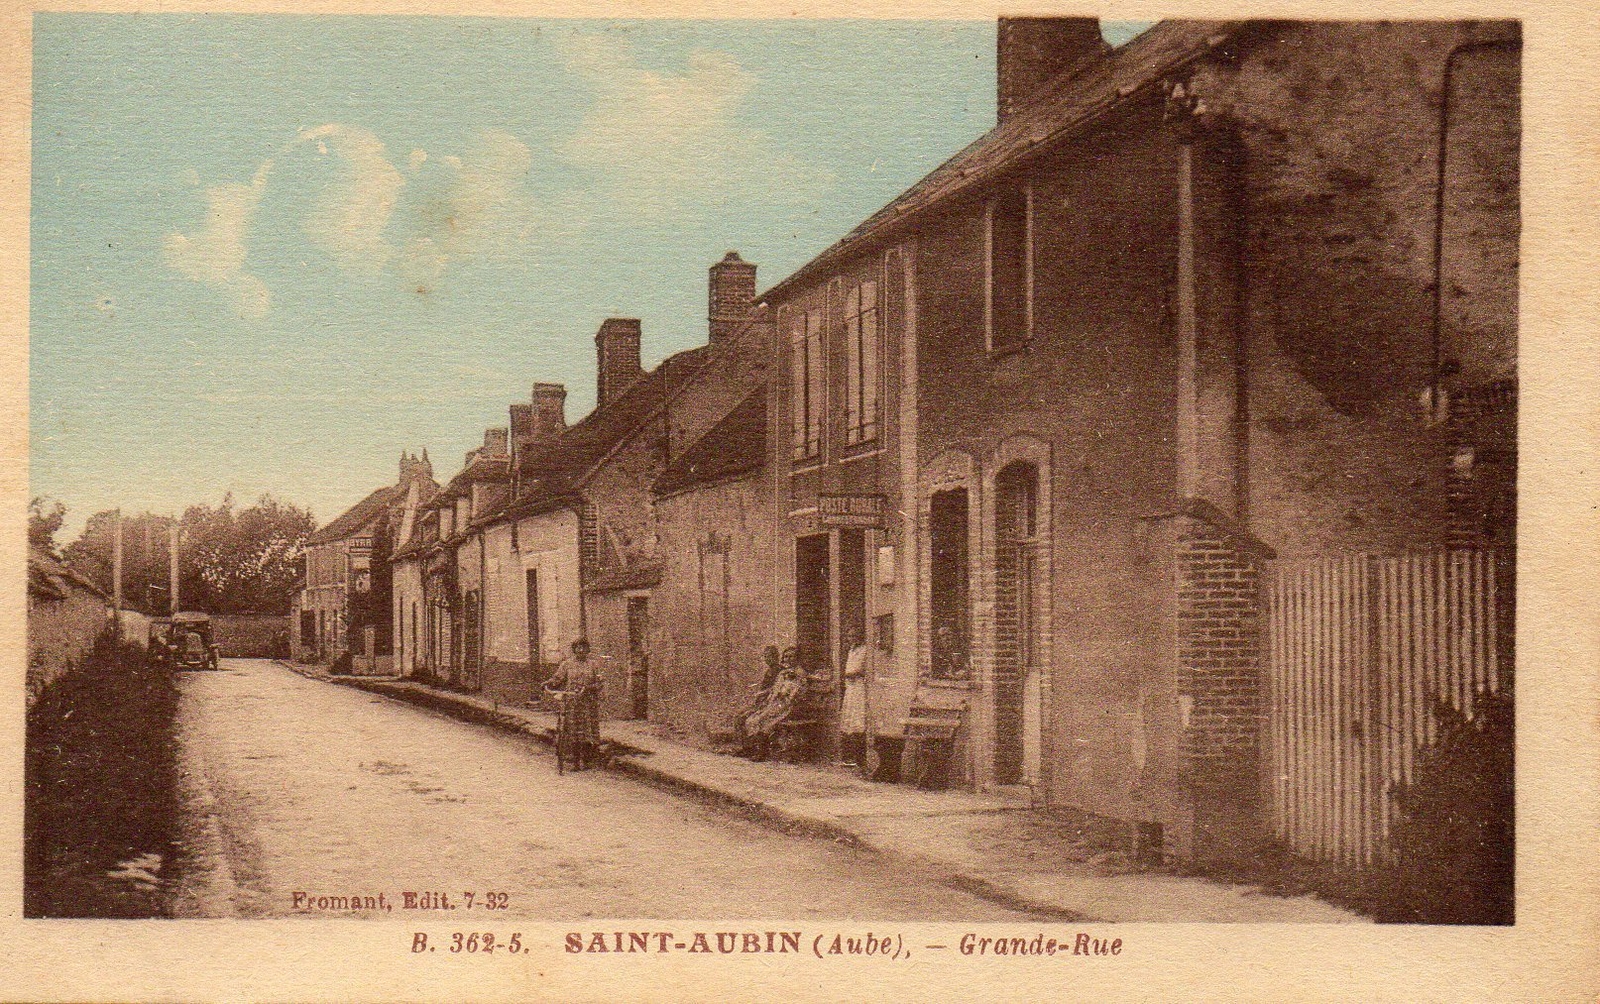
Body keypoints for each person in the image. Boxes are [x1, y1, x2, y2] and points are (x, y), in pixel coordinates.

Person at [740, 646, 806, 761]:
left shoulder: (799, 673)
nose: (788, 659)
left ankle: (762, 752)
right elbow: (775, 688)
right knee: (756, 718)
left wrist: (786, 695)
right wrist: (771, 696)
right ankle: (756, 749)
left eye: (791, 657)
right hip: (776, 703)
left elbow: (800, 691)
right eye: (786, 657)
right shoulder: (783, 673)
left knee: (766, 720)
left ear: (797, 658)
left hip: (790, 705)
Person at [544, 638, 602, 769]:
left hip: (588, 702)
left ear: (587, 650)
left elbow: (599, 683)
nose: (581, 650)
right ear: (574, 649)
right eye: (578, 648)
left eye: (583, 648)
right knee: (571, 730)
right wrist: (548, 683)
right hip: (571, 702)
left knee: (587, 730)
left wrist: (588, 688)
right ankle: (574, 760)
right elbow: (558, 678)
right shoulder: (567, 664)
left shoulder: (593, 665)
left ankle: (587, 760)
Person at [840, 630, 869, 769]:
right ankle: (849, 757)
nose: (852, 639)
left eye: (854, 636)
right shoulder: (851, 651)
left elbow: (862, 669)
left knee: (858, 722)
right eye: (849, 636)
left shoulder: (865, 650)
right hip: (850, 688)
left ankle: (860, 759)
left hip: (859, 688)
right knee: (848, 722)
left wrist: (853, 673)